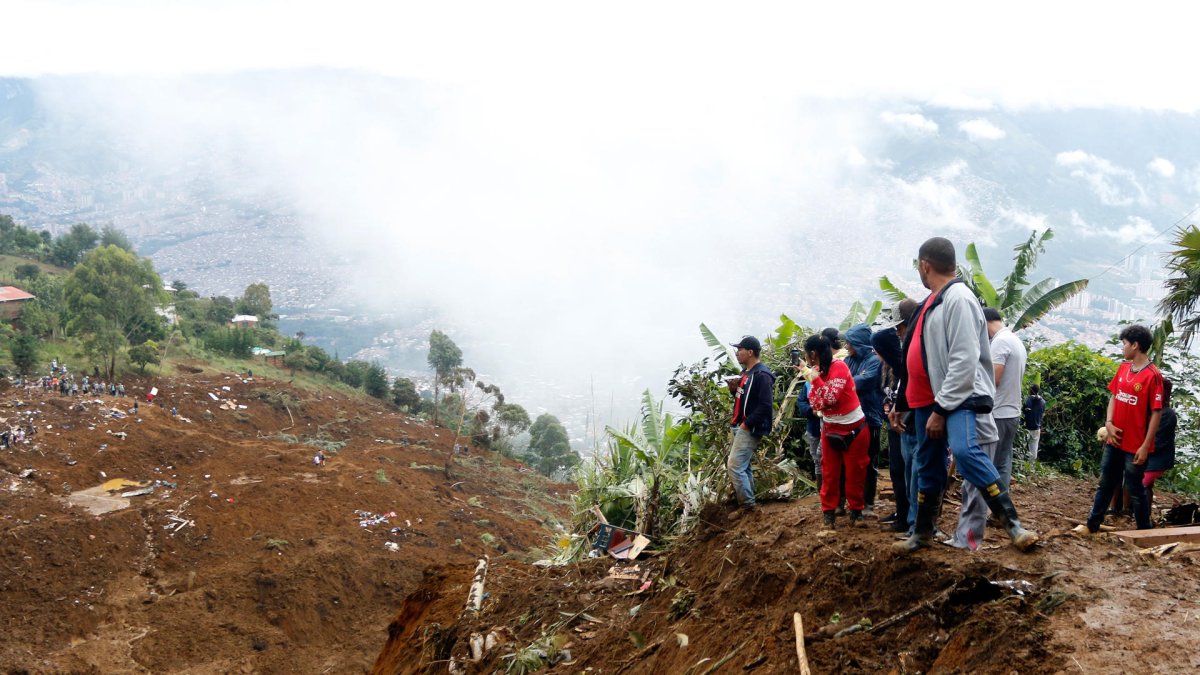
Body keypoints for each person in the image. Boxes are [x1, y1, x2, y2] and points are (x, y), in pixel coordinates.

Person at [892, 237, 1037, 553]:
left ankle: (1012, 523)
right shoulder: (934, 300)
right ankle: (922, 533)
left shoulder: (958, 298)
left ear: (924, 265)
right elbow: (918, 355)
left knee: (966, 450)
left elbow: (964, 359)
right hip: (925, 399)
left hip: (955, 397)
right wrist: (903, 402)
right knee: (927, 465)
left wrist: (941, 409)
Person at [1085, 325, 1164, 532]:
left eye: (1125, 344)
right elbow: (1114, 396)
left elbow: (1156, 413)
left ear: (1135, 345)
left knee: (1136, 489)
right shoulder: (1123, 368)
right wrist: (1109, 424)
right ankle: (1092, 524)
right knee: (1106, 483)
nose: (1123, 348)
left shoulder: (1153, 376)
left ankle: (1144, 531)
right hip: (1114, 440)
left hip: (1135, 444)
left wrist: (1146, 446)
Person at [801, 333, 870, 529]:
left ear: (813, 353)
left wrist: (816, 382)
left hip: (854, 427)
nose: (806, 359)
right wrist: (817, 382)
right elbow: (814, 402)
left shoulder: (839, 367)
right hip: (831, 428)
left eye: (807, 354)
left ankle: (856, 512)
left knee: (855, 472)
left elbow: (830, 398)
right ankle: (828, 515)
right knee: (829, 473)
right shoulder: (817, 371)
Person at [873, 299, 919, 532]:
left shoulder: (907, 361)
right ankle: (904, 514)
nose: (899, 332)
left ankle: (911, 520)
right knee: (898, 471)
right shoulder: (888, 370)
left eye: (901, 327)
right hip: (895, 424)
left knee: (909, 471)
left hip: (908, 424)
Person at [726, 335, 776, 517]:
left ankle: (748, 506)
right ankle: (749, 502)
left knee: (734, 465)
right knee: (743, 465)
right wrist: (734, 391)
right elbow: (745, 399)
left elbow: (765, 405)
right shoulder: (746, 374)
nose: (737, 353)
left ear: (750, 352)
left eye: (740, 349)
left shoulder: (762, 376)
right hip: (740, 425)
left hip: (749, 427)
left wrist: (747, 424)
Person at [984, 308, 1026, 489]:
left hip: (998, 411)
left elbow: (994, 379)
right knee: (1003, 462)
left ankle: (990, 507)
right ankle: (1001, 507)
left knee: (990, 463)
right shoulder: (1015, 340)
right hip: (1012, 411)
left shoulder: (1000, 342)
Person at [844, 324, 883, 513]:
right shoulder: (847, 360)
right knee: (847, 461)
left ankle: (868, 502)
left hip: (869, 418)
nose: (846, 347)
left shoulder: (875, 361)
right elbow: (844, 381)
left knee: (868, 462)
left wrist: (847, 382)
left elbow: (862, 382)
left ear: (858, 343)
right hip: (849, 419)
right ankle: (850, 500)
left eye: (849, 343)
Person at [1143, 379, 1176, 511]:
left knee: (1141, 484)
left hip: (1158, 458)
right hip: (1149, 455)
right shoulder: (1153, 410)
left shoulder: (1168, 414)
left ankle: (1142, 515)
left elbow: (1159, 441)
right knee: (1146, 485)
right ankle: (1142, 514)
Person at [795, 380, 824, 490]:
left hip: (832, 427)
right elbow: (801, 401)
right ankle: (821, 491)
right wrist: (812, 411)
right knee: (817, 459)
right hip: (814, 427)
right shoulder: (808, 383)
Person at [1022, 384, 1046, 461]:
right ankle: (1031, 468)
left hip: (1026, 428)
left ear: (1030, 390)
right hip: (1036, 428)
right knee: (1034, 449)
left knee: (1022, 448)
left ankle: (1020, 466)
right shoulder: (1043, 402)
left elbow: (1023, 412)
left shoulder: (1027, 400)